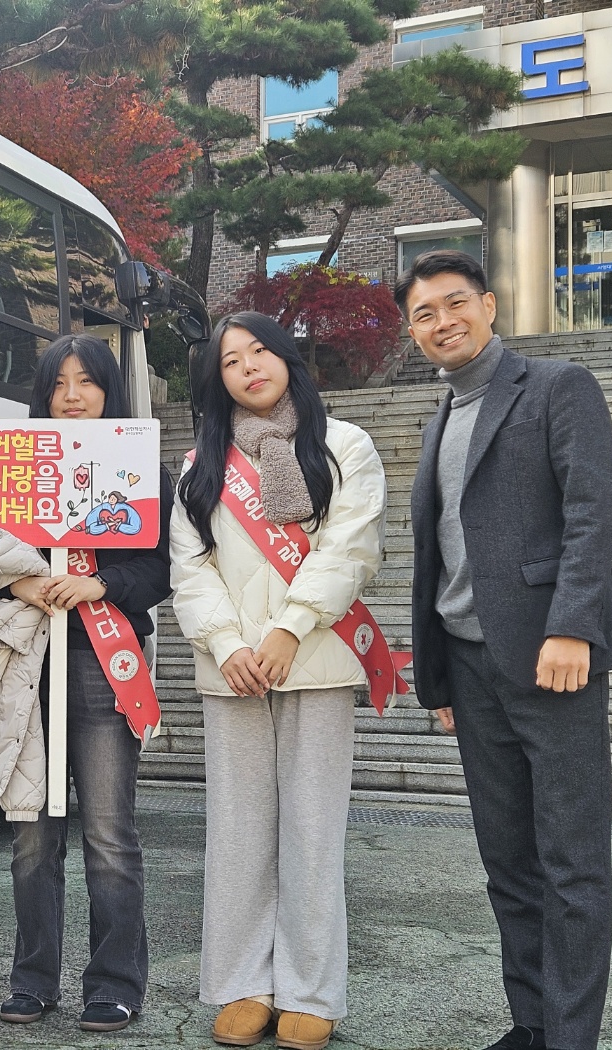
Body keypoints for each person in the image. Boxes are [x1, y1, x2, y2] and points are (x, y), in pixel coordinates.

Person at [398, 250, 612, 1050]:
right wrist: (438, 677)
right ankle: (532, 1021)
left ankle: (572, 1038)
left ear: (490, 305)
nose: (442, 322)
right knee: (507, 861)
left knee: (571, 863)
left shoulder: (555, 387)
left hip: (551, 656)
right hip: (470, 664)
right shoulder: (438, 418)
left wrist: (573, 624)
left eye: (454, 303)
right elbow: (440, 552)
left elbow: (590, 512)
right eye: (424, 313)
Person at [170, 312, 387, 1050]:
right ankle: (242, 985)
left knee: (313, 830)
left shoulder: (344, 446)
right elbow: (189, 568)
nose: (249, 366)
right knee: (236, 832)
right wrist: (229, 644)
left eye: (260, 350)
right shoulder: (199, 467)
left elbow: (350, 548)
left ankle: (311, 989)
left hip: (316, 662)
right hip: (231, 672)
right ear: (217, 381)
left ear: (289, 358)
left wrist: (290, 629)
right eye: (231, 360)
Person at [0, 333, 173, 1034]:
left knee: (108, 833)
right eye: (59, 383)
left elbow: (159, 571)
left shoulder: (143, 469)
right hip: (28, 664)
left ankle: (115, 983)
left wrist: (100, 582)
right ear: (42, 397)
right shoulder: (8, 469)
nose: (72, 396)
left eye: (87, 382)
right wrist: (18, 580)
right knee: (31, 838)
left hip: (106, 663)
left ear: (110, 393)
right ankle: (32, 980)